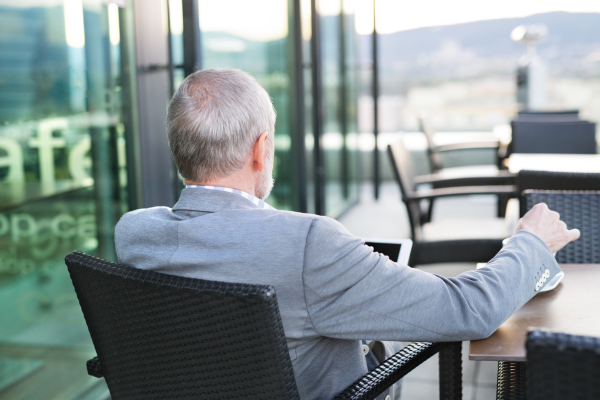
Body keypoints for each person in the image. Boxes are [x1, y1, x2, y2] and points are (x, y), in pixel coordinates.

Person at [115, 68, 580, 400]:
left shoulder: (135, 232)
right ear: (262, 149)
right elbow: (469, 310)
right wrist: (530, 242)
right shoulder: (308, 243)